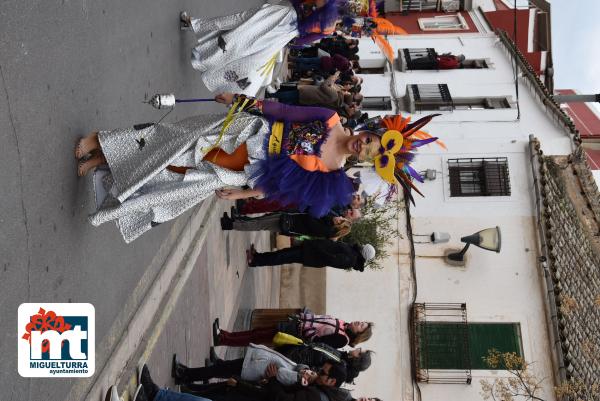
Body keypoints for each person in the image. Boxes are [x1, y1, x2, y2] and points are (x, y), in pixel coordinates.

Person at [76, 94, 379, 242]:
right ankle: (102, 143)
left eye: (368, 151)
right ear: (365, 132)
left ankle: (108, 165)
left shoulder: (333, 174)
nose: (362, 146)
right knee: (173, 142)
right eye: (368, 139)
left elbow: (283, 185)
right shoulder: (330, 118)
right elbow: (285, 111)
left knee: (175, 177)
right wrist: (240, 100)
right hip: (248, 132)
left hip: (247, 167)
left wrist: (241, 194)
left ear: (366, 160)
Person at [180, 0, 344, 95]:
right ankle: (205, 57)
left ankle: (195, 30)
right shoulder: (330, 27)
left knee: (238, 27)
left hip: (281, 15)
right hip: (285, 33)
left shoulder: (328, 8)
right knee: (245, 50)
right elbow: (302, 41)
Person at [171, 346, 346, 387]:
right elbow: (294, 366)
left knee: (217, 370)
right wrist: (302, 369)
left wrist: (299, 375)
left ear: (330, 381)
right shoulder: (310, 375)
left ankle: (185, 374)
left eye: (324, 372)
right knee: (220, 369)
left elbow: (282, 373)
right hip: (257, 363)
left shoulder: (305, 382)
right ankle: (187, 374)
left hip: (255, 370)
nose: (320, 369)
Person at [213, 312, 374, 349]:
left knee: (258, 338)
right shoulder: (343, 323)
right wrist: (303, 317)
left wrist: (305, 328)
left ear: (359, 334)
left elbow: (317, 343)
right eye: (362, 321)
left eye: (361, 326)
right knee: (258, 332)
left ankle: (223, 340)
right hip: (296, 324)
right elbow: (319, 318)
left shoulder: (342, 339)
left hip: (296, 333)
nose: (359, 322)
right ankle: (225, 335)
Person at [246, 239, 375, 271]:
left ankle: (255, 261)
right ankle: (258, 256)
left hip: (311, 254)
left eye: (364, 247)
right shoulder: (352, 253)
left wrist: (316, 249)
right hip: (311, 249)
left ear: (364, 252)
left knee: (282, 257)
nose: (362, 245)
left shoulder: (350, 259)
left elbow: (331, 259)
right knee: (283, 253)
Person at [220, 211, 352, 240]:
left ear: (338, 226)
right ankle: (235, 221)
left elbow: (310, 220)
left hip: (289, 224)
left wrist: (315, 212)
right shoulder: (328, 221)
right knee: (261, 220)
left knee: (259, 224)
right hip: (289, 218)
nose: (339, 217)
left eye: (341, 220)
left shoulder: (326, 229)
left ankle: (231, 225)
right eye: (341, 217)